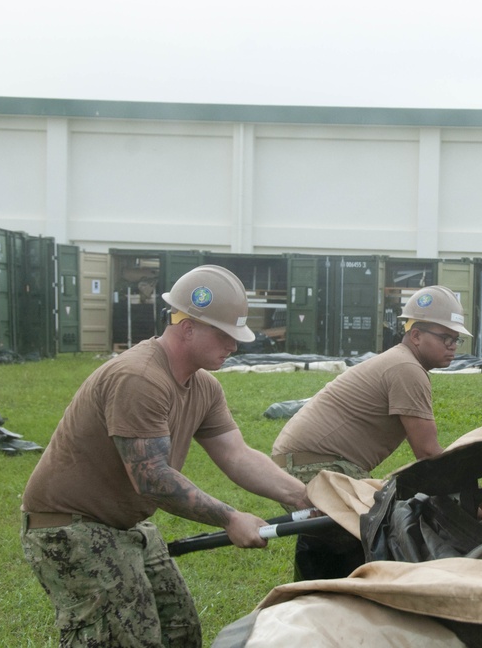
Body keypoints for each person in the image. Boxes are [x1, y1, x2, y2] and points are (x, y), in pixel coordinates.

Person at [20, 265, 312, 648]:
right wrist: (230, 518)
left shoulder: (204, 386)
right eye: (225, 335)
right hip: (70, 528)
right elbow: (153, 477)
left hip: (124, 525)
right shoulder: (138, 378)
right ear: (188, 327)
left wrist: (303, 498)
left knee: (180, 631)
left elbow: (237, 455)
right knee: (123, 640)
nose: (234, 346)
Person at [271, 285, 470, 579]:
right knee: (379, 529)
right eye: (445, 337)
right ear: (415, 335)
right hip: (315, 464)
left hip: (306, 461)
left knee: (337, 535)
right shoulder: (407, 369)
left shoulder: (401, 363)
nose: (452, 345)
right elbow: (428, 454)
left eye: (456, 339)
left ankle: (314, 600)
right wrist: (467, 497)